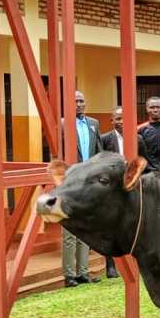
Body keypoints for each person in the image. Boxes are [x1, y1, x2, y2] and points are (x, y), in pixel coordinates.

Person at [100, 106, 149, 278]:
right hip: (111, 188)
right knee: (109, 225)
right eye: (117, 118)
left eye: (124, 118)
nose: (121, 122)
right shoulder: (105, 139)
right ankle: (110, 265)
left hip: (132, 188)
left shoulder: (138, 139)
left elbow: (144, 163)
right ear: (112, 121)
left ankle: (136, 262)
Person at [62, 91, 102, 288]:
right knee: (69, 229)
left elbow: (98, 151)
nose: (79, 104)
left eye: (81, 101)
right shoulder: (62, 124)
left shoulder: (93, 124)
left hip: (89, 183)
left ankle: (83, 272)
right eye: (75, 101)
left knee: (86, 228)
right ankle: (69, 275)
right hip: (70, 182)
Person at [137, 96, 160, 171]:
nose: (155, 110)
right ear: (146, 109)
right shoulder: (139, 130)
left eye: (158, 107)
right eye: (152, 107)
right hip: (147, 171)